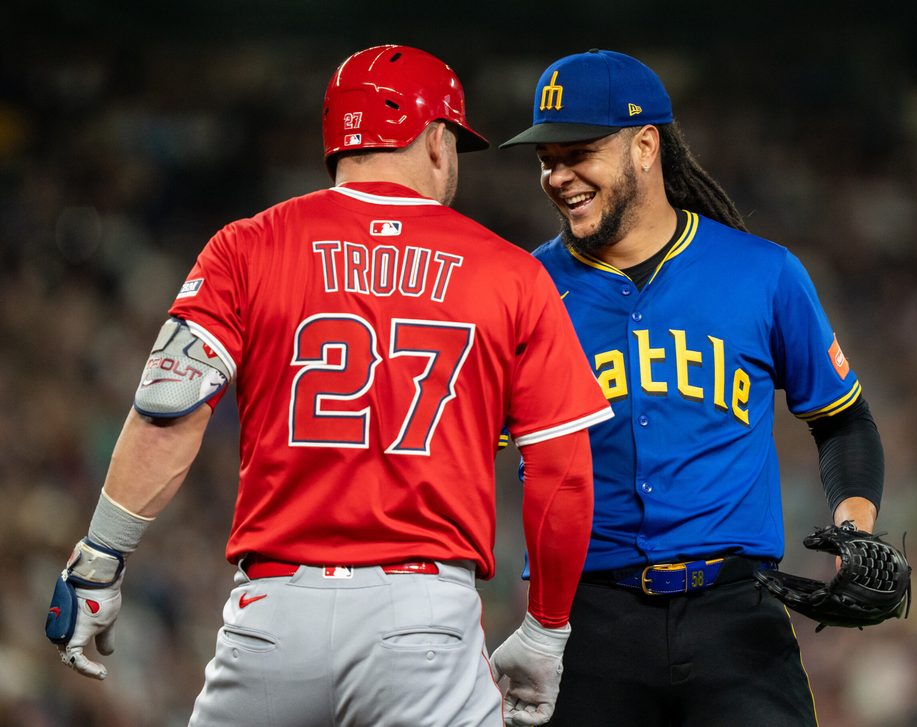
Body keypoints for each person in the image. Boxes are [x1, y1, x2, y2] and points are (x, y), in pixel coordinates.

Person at [44, 45, 613, 727]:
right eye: (455, 142)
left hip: (271, 618)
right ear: (436, 140)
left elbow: (169, 411)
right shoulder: (512, 273)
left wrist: (101, 556)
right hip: (423, 620)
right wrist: (547, 631)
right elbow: (564, 474)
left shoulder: (247, 245)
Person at [500, 49, 886, 726]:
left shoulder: (761, 273)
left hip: (736, 619)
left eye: (578, 152)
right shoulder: (523, 290)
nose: (558, 176)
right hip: (586, 618)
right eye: (546, 159)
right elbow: (460, 444)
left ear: (645, 144)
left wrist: (857, 532)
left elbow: (842, 420)